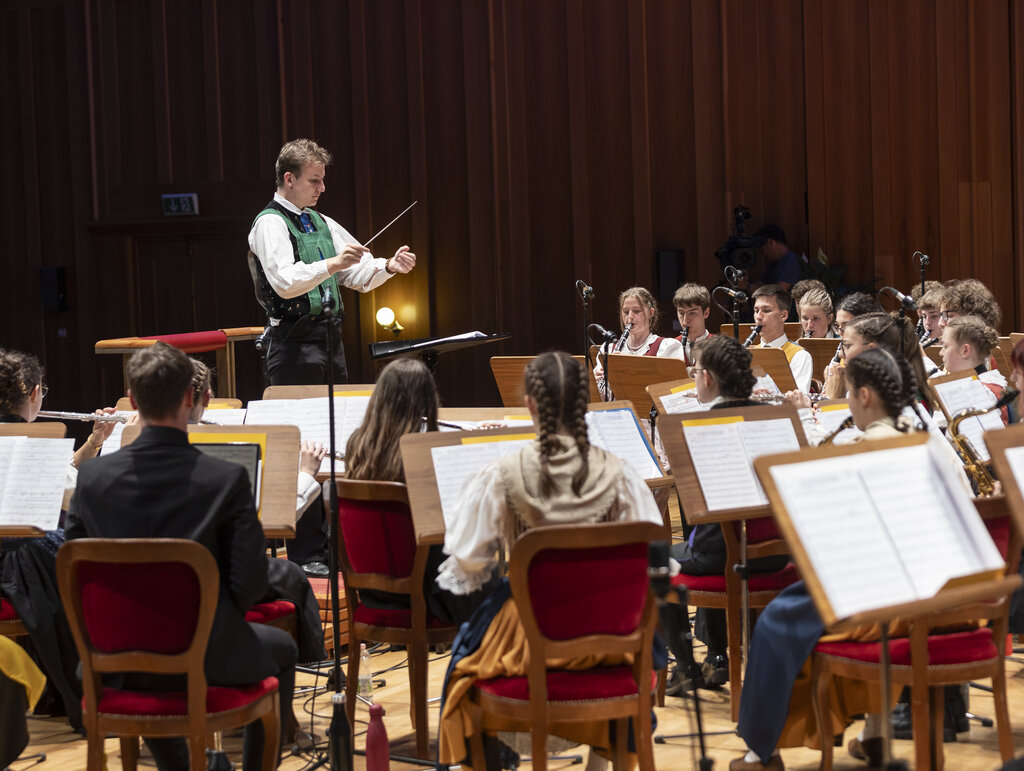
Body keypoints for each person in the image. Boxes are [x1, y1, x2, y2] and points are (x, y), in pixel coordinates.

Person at [66, 343, 297, 770]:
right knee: (281, 646)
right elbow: (247, 585)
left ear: (133, 401)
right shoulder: (226, 478)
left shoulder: (94, 477)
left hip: (112, 659)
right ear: (192, 398)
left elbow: (74, 574)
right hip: (205, 652)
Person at [437, 352, 664, 770]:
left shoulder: (504, 474)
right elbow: (653, 549)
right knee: (651, 640)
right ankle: (603, 757)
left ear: (529, 405)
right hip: (612, 643)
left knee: (462, 669)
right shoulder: (621, 474)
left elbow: (466, 559)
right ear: (583, 405)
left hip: (531, 640)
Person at [730, 346, 937, 771]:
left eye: (847, 395)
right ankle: (874, 734)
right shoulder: (918, 436)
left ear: (864, 396)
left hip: (874, 594)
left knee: (773, 622)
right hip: (920, 582)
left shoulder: (867, 448)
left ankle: (759, 753)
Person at [0, 348, 117, 729]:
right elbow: (77, 490)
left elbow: (55, 477)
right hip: (21, 566)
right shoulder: (32, 441)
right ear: (33, 393)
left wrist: (94, 441)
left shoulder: (22, 442)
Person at [667, 335, 788, 691]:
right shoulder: (777, 416)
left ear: (708, 378)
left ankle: (688, 665)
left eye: (695, 371)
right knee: (712, 541)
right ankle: (717, 657)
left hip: (724, 557)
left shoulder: (699, 428)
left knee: (650, 557)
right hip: (779, 554)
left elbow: (699, 515)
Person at [247, 138, 417, 386]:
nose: (322, 188)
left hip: (330, 338)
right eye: (314, 180)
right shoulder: (270, 223)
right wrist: (333, 264)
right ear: (289, 179)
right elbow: (284, 282)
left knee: (334, 421)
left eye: (322, 180)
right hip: (293, 343)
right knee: (302, 421)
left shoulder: (320, 221)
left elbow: (354, 273)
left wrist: (389, 266)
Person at [343, 357, 494, 624]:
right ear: (426, 399)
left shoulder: (358, 443)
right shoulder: (423, 450)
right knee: (500, 580)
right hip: (427, 591)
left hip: (372, 590)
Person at [593, 286, 684, 398]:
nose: (630, 317)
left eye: (636, 311)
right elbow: (600, 399)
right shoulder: (607, 349)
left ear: (651, 313)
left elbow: (672, 394)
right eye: (626, 312)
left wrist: (623, 370)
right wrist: (596, 384)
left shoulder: (667, 347)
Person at [751, 285, 812, 392]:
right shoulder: (749, 354)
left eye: (766, 310)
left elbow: (799, 400)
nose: (759, 317)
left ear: (783, 315)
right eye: (756, 311)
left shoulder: (800, 356)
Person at [672, 282, 714, 365]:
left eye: (692, 313)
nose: (685, 320)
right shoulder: (672, 346)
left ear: (706, 313)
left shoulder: (718, 346)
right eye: (681, 313)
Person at [754, 223, 801, 291]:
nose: (763, 253)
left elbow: (779, 291)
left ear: (770, 243)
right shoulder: (775, 263)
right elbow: (761, 283)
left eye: (763, 248)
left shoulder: (791, 259)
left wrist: (749, 287)